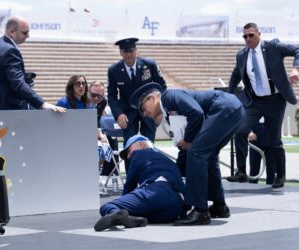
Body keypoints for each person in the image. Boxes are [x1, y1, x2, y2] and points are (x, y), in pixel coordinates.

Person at [129, 82, 245, 225]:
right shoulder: (168, 112)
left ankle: (200, 211)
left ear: (152, 99)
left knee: (196, 153)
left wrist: (188, 141)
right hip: (233, 109)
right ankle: (219, 206)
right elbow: (185, 140)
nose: (144, 114)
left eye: (142, 108)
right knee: (208, 154)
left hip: (224, 108)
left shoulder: (169, 97)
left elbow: (196, 113)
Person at [226, 22, 299, 188]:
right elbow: (236, 74)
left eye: (251, 35)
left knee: (274, 141)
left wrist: (296, 70)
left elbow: (297, 49)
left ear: (259, 34)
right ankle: (242, 172)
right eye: (245, 36)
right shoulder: (242, 55)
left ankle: (280, 175)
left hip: (275, 101)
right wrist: (229, 95)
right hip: (254, 101)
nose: (248, 39)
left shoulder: (273, 46)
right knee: (240, 130)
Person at [94, 135, 186, 231]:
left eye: (129, 151)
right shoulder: (169, 161)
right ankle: (129, 218)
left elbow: (130, 185)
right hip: (175, 207)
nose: (129, 157)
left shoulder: (139, 153)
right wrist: (183, 213)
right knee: (141, 213)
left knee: (108, 206)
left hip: (156, 192)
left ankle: (118, 215)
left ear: (141, 144)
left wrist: (123, 201)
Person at [0, 15, 65, 112]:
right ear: (12, 32)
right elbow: (18, 83)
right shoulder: (9, 50)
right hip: (5, 112)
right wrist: (42, 104)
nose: (28, 36)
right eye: (25, 33)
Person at [107, 37, 167, 171]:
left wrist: (159, 109)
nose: (129, 54)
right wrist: (119, 114)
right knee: (130, 148)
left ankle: (149, 177)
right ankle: (131, 181)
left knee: (149, 146)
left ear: (136, 51)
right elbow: (111, 96)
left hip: (150, 112)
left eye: (131, 50)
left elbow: (162, 87)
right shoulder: (113, 70)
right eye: (125, 51)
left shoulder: (149, 64)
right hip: (128, 114)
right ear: (121, 53)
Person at [88, 81, 119, 176]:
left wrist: (100, 134)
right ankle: (90, 171)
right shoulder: (83, 101)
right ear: (88, 92)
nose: (96, 98)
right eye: (93, 95)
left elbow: (96, 120)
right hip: (82, 130)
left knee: (110, 139)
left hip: (93, 128)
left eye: (99, 96)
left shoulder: (104, 101)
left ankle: (109, 172)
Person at [247, 120, 275, 185]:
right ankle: (251, 188)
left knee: (271, 169)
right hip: (255, 139)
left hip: (271, 139)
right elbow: (248, 119)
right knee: (254, 169)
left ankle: (271, 188)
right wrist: (249, 132)